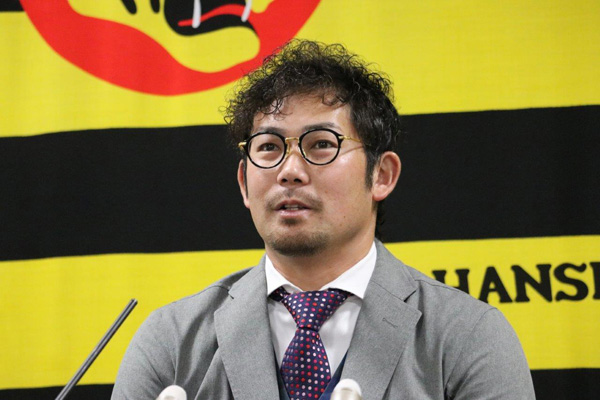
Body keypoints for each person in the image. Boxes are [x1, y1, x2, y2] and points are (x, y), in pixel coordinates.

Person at [111, 40, 536, 400]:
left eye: (321, 144)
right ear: (244, 182)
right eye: (268, 147)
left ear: (381, 175)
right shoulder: (172, 341)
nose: (290, 170)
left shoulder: (467, 336)